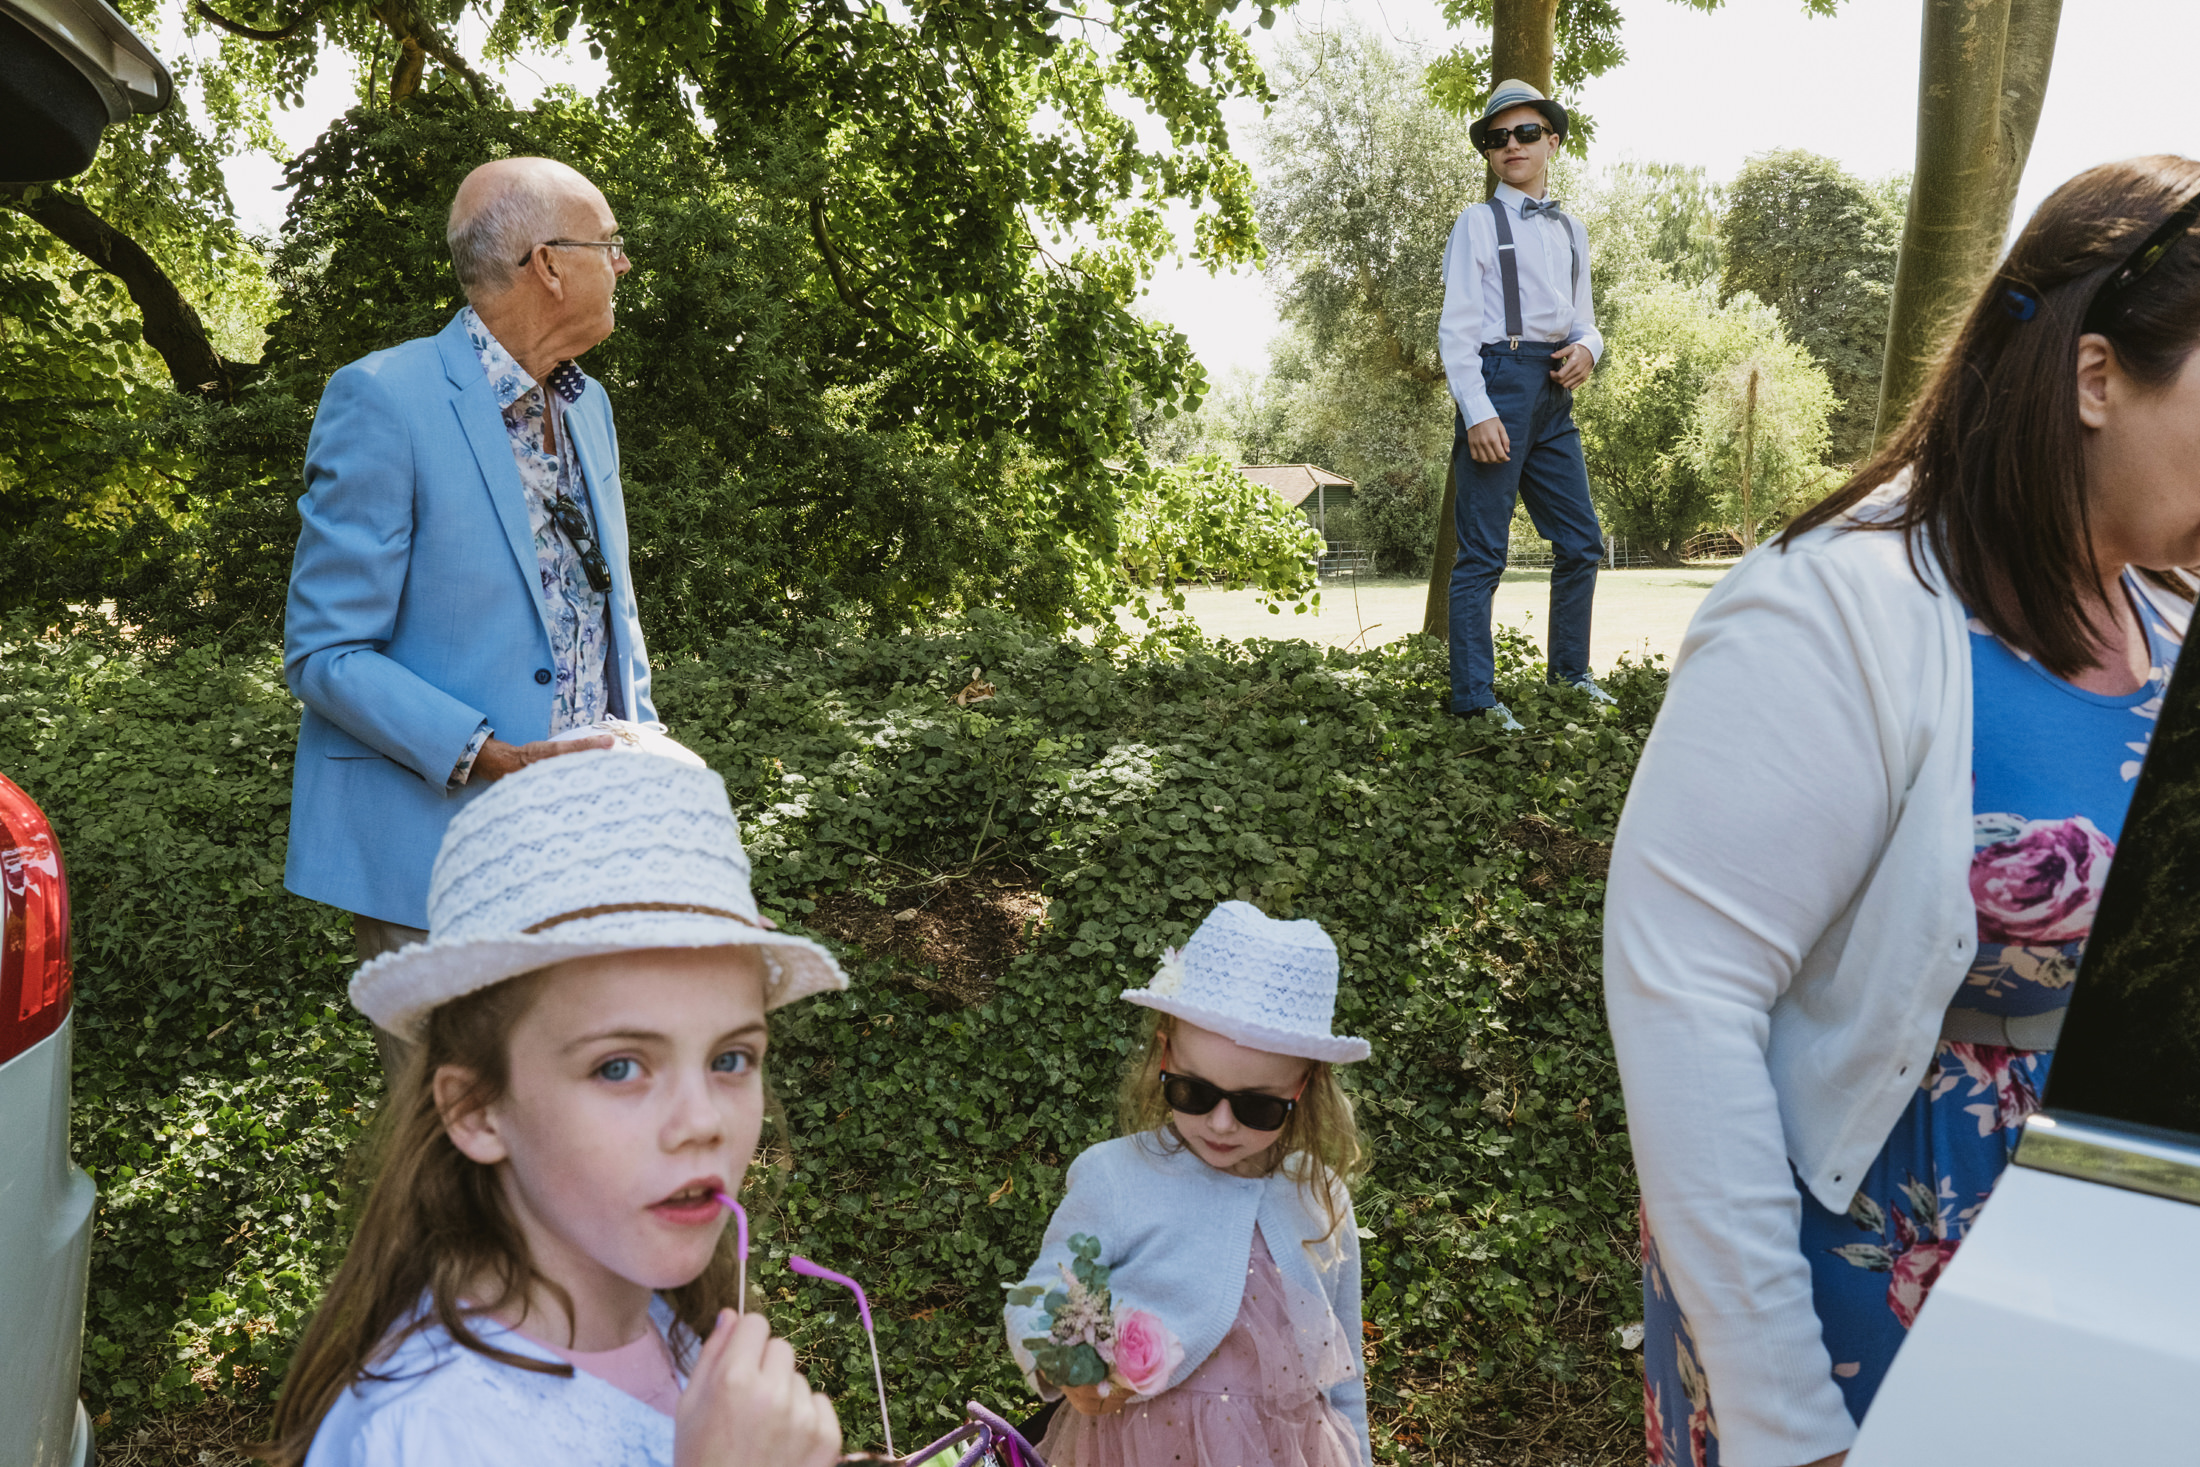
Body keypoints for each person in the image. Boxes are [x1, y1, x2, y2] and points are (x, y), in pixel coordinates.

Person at [1606, 155, 2200, 1467]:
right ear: (2097, 378)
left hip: (2094, 1281)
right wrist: (1781, 1409)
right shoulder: (1831, 612)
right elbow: (1686, 1001)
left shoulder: (2167, 622)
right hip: (1855, 1288)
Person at [257, 744, 849, 1466]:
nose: (703, 1121)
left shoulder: (684, 1335)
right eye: (620, 1066)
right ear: (476, 1108)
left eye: (731, 1059)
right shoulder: (424, 1434)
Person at [282, 155, 654, 1010]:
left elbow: (607, 609)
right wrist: (490, 758)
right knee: (455, 1135)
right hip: (441, 863)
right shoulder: (383, 397)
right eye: (611, 243)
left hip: (585, 856)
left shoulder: (587, 405)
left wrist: (646, 745)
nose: (624, 262)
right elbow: (327, 652)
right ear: (550, 265)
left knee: (565, 1130)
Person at [1004, 901, 1374, 1467]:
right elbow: (1041, 1299)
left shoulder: (1317, 1196)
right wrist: (1066, 1366)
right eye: (1194, 1093)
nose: (1221, 1124)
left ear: (1303, 1086)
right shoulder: (1118, 1175)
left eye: (1257, 1106)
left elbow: (1341, 1365)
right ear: (1165, 1054)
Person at [1437, 79, 1610, 731]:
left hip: (1554, 391)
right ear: (1488, 152)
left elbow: (1585, 320)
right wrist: (1477, 408)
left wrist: (1590, 349)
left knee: (1581, 540)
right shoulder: (1477, 224)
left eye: (1526, 132)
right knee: (1483, 550)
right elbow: (1456, 327)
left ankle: (1569, 674)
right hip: (1498, 378)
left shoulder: (1572, 230)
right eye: (1498, 136)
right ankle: (1475, 700)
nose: (1512, 144)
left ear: (1552, 141)